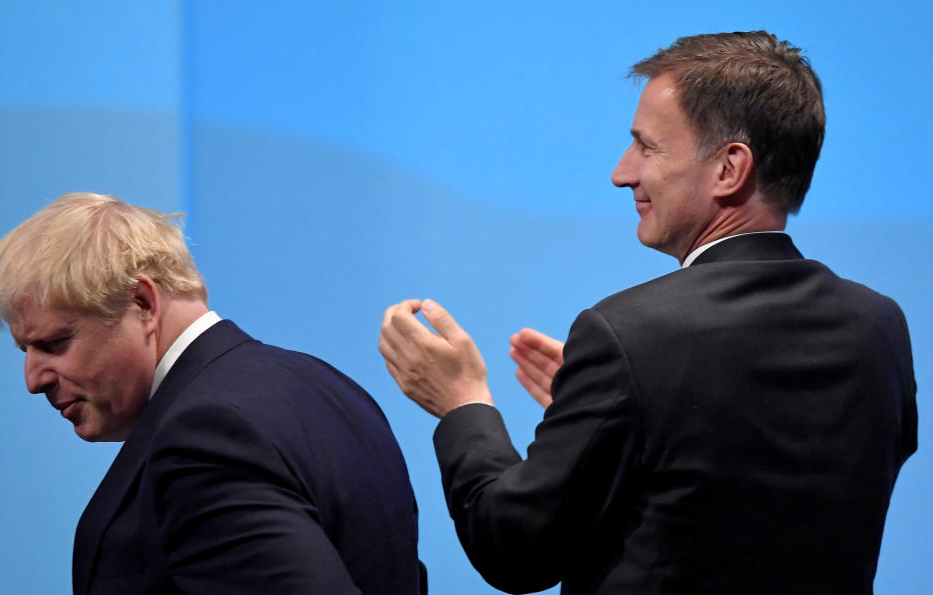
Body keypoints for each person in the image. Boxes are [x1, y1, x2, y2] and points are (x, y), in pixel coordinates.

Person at [379, 31, 916, 594]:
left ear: (730, 169)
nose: (622, 172)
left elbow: (515, 550)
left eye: (647, 146)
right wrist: (630, 411)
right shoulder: (879, 327)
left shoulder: (632, 337)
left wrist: (463, 405)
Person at [0, 193, 425, 595]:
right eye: (24, 350)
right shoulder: (335, 389)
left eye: (53, 343)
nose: (33, 379)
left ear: (142, 303)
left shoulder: (203, 437)